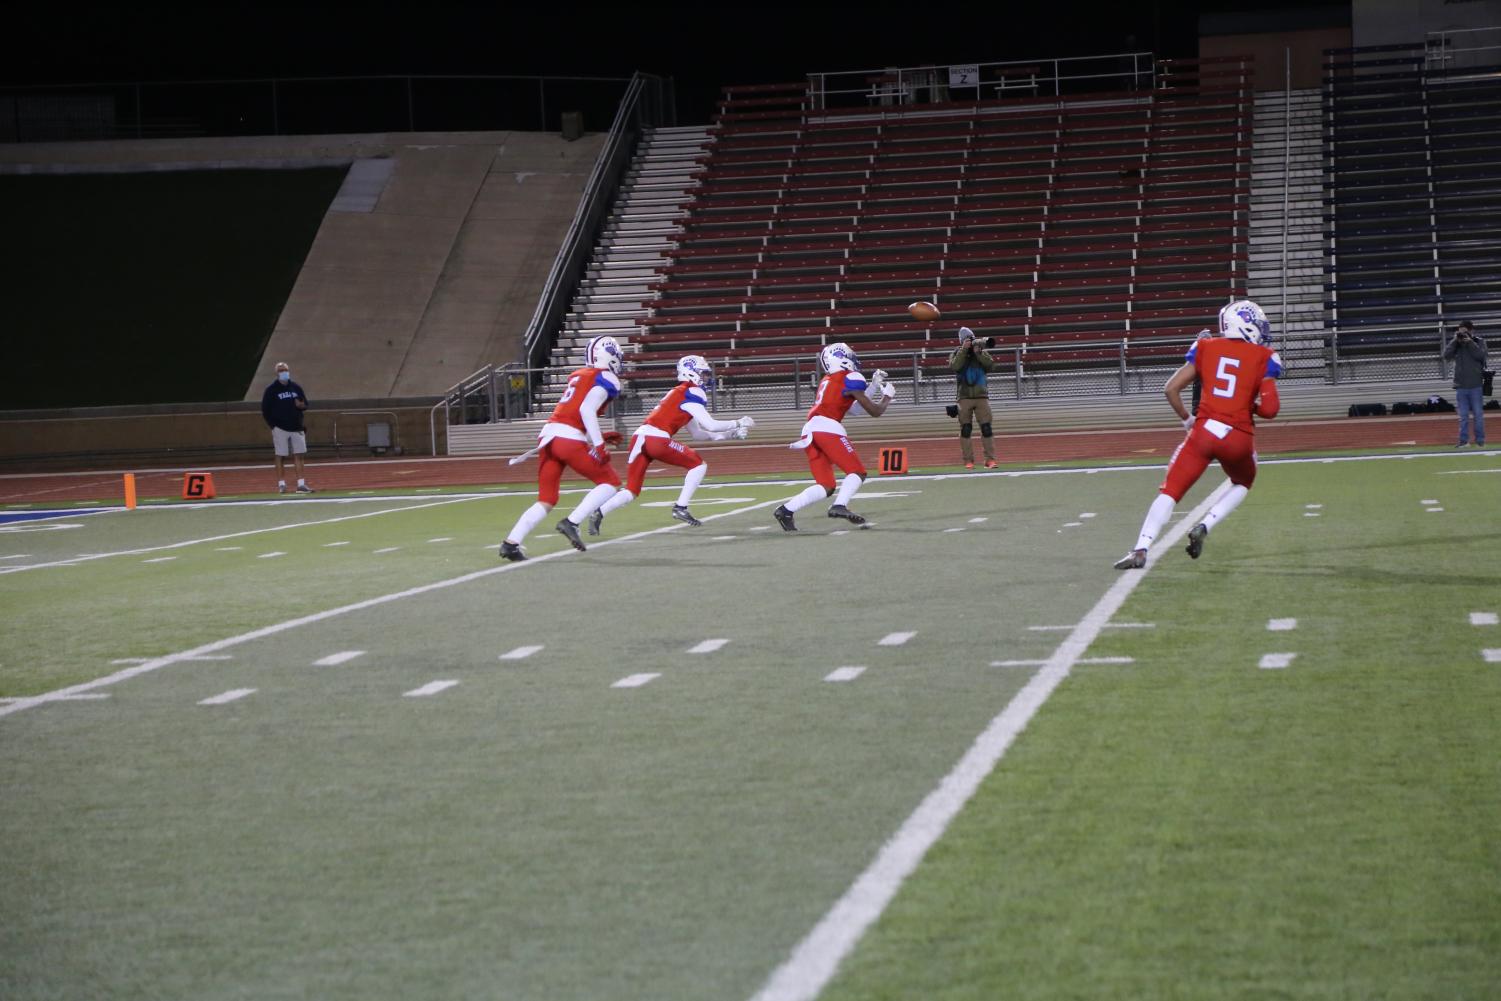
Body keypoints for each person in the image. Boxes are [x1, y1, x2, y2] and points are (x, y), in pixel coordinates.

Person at [1113, 300, 1282, 569]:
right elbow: (1271, 409)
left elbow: (1171, 389)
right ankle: (1206, 523)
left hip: (1203, 432)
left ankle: (1141, 548)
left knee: (1170, 492)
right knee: (1242, 482)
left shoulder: (1205, 346)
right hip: (1238, 437)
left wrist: (1187, 419)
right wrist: (1250, 405)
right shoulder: (1265, 357)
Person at [588, 355, 754, 534]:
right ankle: (680, 507)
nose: (706, 378)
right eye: (703, 374)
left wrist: (731, 434)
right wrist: (738, 422)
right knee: (698, 465)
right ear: (691, 373)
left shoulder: (680, 393)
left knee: (631, 490)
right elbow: (711, 425)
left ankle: (598, 513)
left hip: (640, 437)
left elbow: (698, 434)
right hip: (655, 439)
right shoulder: (692, 391)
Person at [499, 335, 625, 561]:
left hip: (549, 437)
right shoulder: (608, 378)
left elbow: (573, 414)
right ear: (609, 356)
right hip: (568, 438)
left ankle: (511, 543)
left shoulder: (580, 375)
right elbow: (586, 410)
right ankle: (572, 522)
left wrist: (600, 437)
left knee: (547, 499)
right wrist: (598, 445)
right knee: (611, 483)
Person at [773, 342, 896, 531]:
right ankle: (839, 506)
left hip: (810, 430)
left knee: (826, 485)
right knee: (857, 471)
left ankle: (785, 510)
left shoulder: (828, 379)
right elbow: (875, 411)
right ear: (842, 358)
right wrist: (887, 396)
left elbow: (853, 408)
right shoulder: (851, 376)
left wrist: (873, 386)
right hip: (827, 428)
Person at [260, 361, 314, 494]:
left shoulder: (295, 387)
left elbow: (305, 404)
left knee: (299, 455)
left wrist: (301, 406)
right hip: (280, 428)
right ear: (277, 373)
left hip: (296, 427)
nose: (284, 372)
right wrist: (273, 425)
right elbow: (265, 410)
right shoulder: (271, 390)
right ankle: (281, 485)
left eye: (285, 370)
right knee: (280, 455)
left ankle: (301, 484)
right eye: (281, 370)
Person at [948, 326, 998, 469]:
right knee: (966, 428)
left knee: (987, 427)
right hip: (964, 397)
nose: (971, 342)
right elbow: (955, 366)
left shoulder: (981, 352)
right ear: (962, 341)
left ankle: (990, 460)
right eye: (968, 339)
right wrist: (964, 350)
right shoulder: (957, 353)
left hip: (981, 396)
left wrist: (979, 354)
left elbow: (991, 366)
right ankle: (968, 461)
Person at [1442, 320, 1488, 447]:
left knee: (1478, 414)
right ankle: (1464, 441)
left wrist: (1470, 342)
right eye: (1460, 331)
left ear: (1471, 330)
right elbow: (1446, 356)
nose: (1463, 334)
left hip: (1476, 385)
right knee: (1463, 416)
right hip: (1461, 386)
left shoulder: (1479, 341)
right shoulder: (1456, 344)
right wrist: (1454, 340)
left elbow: (1481, 356)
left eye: (1465, 331)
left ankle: (1480, 440)